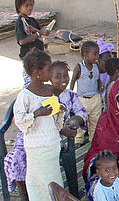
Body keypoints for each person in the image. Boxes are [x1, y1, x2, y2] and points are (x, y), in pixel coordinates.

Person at [4, 60, 88, 199]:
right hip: (30, 136)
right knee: (16, 157)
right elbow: (24, 120)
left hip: (53, 137)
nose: (63, 80)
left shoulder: (70, 96)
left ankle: (52, 191)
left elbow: (82, 113)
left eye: (65, 75)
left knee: (48, 168)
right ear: (48, 77)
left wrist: (74, 120)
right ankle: (25, 194)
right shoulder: (39, 93)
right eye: (57, 76)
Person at [13, 50, 64, 201]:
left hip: (52, 144)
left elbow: (55, 121)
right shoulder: (25, 96)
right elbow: (20, 121)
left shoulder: (49, 90)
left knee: (54, 180)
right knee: (39, 183)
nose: (51, 72)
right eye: (48, 69)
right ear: (37, 73)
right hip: (37, 148)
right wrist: (36, 113)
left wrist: (59, 111)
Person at [14, 0, 50, 88]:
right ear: (19, 7)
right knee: (30, 82)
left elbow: (40, 32)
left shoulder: (32, 20)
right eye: (26, 5)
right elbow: (21, 41)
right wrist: (38, 33)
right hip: (28, 57)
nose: (30, 8)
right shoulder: (20, 22)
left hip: (38, 56)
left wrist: (43, 31)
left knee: (39, 79)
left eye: (31, 5)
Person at [70, 41, 102, 143]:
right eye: (95, 54)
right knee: (81, 120)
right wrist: (71, 95)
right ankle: (78, 139)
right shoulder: (79, 67)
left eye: (98, 53)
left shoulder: (96, 66)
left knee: (95, 120)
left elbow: (97, 79)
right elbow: (73, 80)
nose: (97, 56)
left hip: (95, 98)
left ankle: (94, 138)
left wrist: (100, 87)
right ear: (86, 55)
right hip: (82, 99)